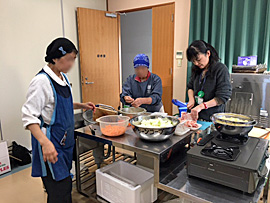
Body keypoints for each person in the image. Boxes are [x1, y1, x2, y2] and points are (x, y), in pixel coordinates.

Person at [22, 38, 96, 203]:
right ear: (55, 58)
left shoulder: (61, 77)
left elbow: (57, 104)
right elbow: (29, 117)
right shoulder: (41, 82)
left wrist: (81, 105)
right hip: (51, 143)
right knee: (59, 190)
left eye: (73, 59)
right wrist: (45, 143)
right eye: (68, 59)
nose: (71, 64)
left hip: (63, 142)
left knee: (64, 186)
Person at [186, 40, 232, 121]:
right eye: (193, 61)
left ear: (208, 54)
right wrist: (191, 99)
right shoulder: (197, 70)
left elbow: (222, 97)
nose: (196, 63)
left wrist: (201, 106)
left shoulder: (220, 69)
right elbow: (190, 87)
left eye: (198, 59)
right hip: (196, 115)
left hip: (212, 117)